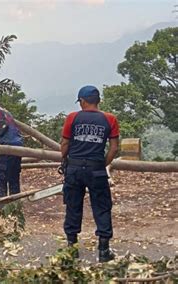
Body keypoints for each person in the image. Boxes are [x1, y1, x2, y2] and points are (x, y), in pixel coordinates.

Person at [60, 85, 119, 262]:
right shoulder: (110, 119)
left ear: (83, 101)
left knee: (73, 206)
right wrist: (102, 164)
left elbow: (64, 144)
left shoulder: (72, 117)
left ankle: (72, 249)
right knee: (102, 207)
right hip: (97, 170)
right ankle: (103, 251)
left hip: (75, 169)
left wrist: (65, 159)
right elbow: (114, 148)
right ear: (98, 101)